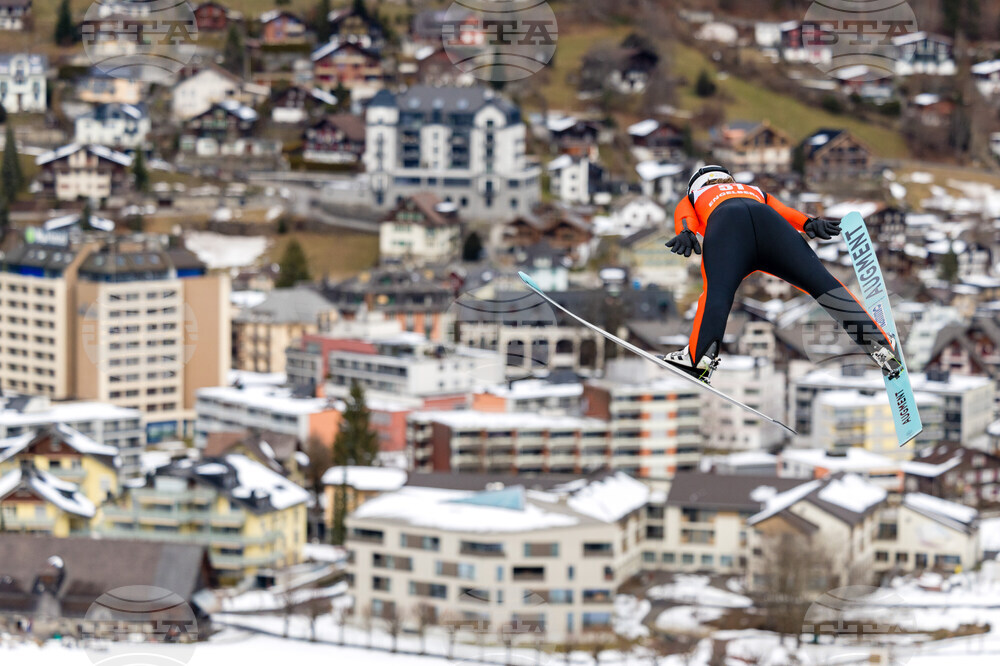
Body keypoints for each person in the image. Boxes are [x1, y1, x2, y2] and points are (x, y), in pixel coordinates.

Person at [662, 164, 900, 384]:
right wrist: (809, 223)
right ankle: (880, 346)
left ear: (695, 186)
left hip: (728, 229)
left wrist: (686, 231)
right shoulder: (753, 190)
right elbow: (784, 211)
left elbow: (685, 215)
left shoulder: (695, 196)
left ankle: (700, 359)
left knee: (717, 295)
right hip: (773, 228)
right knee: (824, 285)